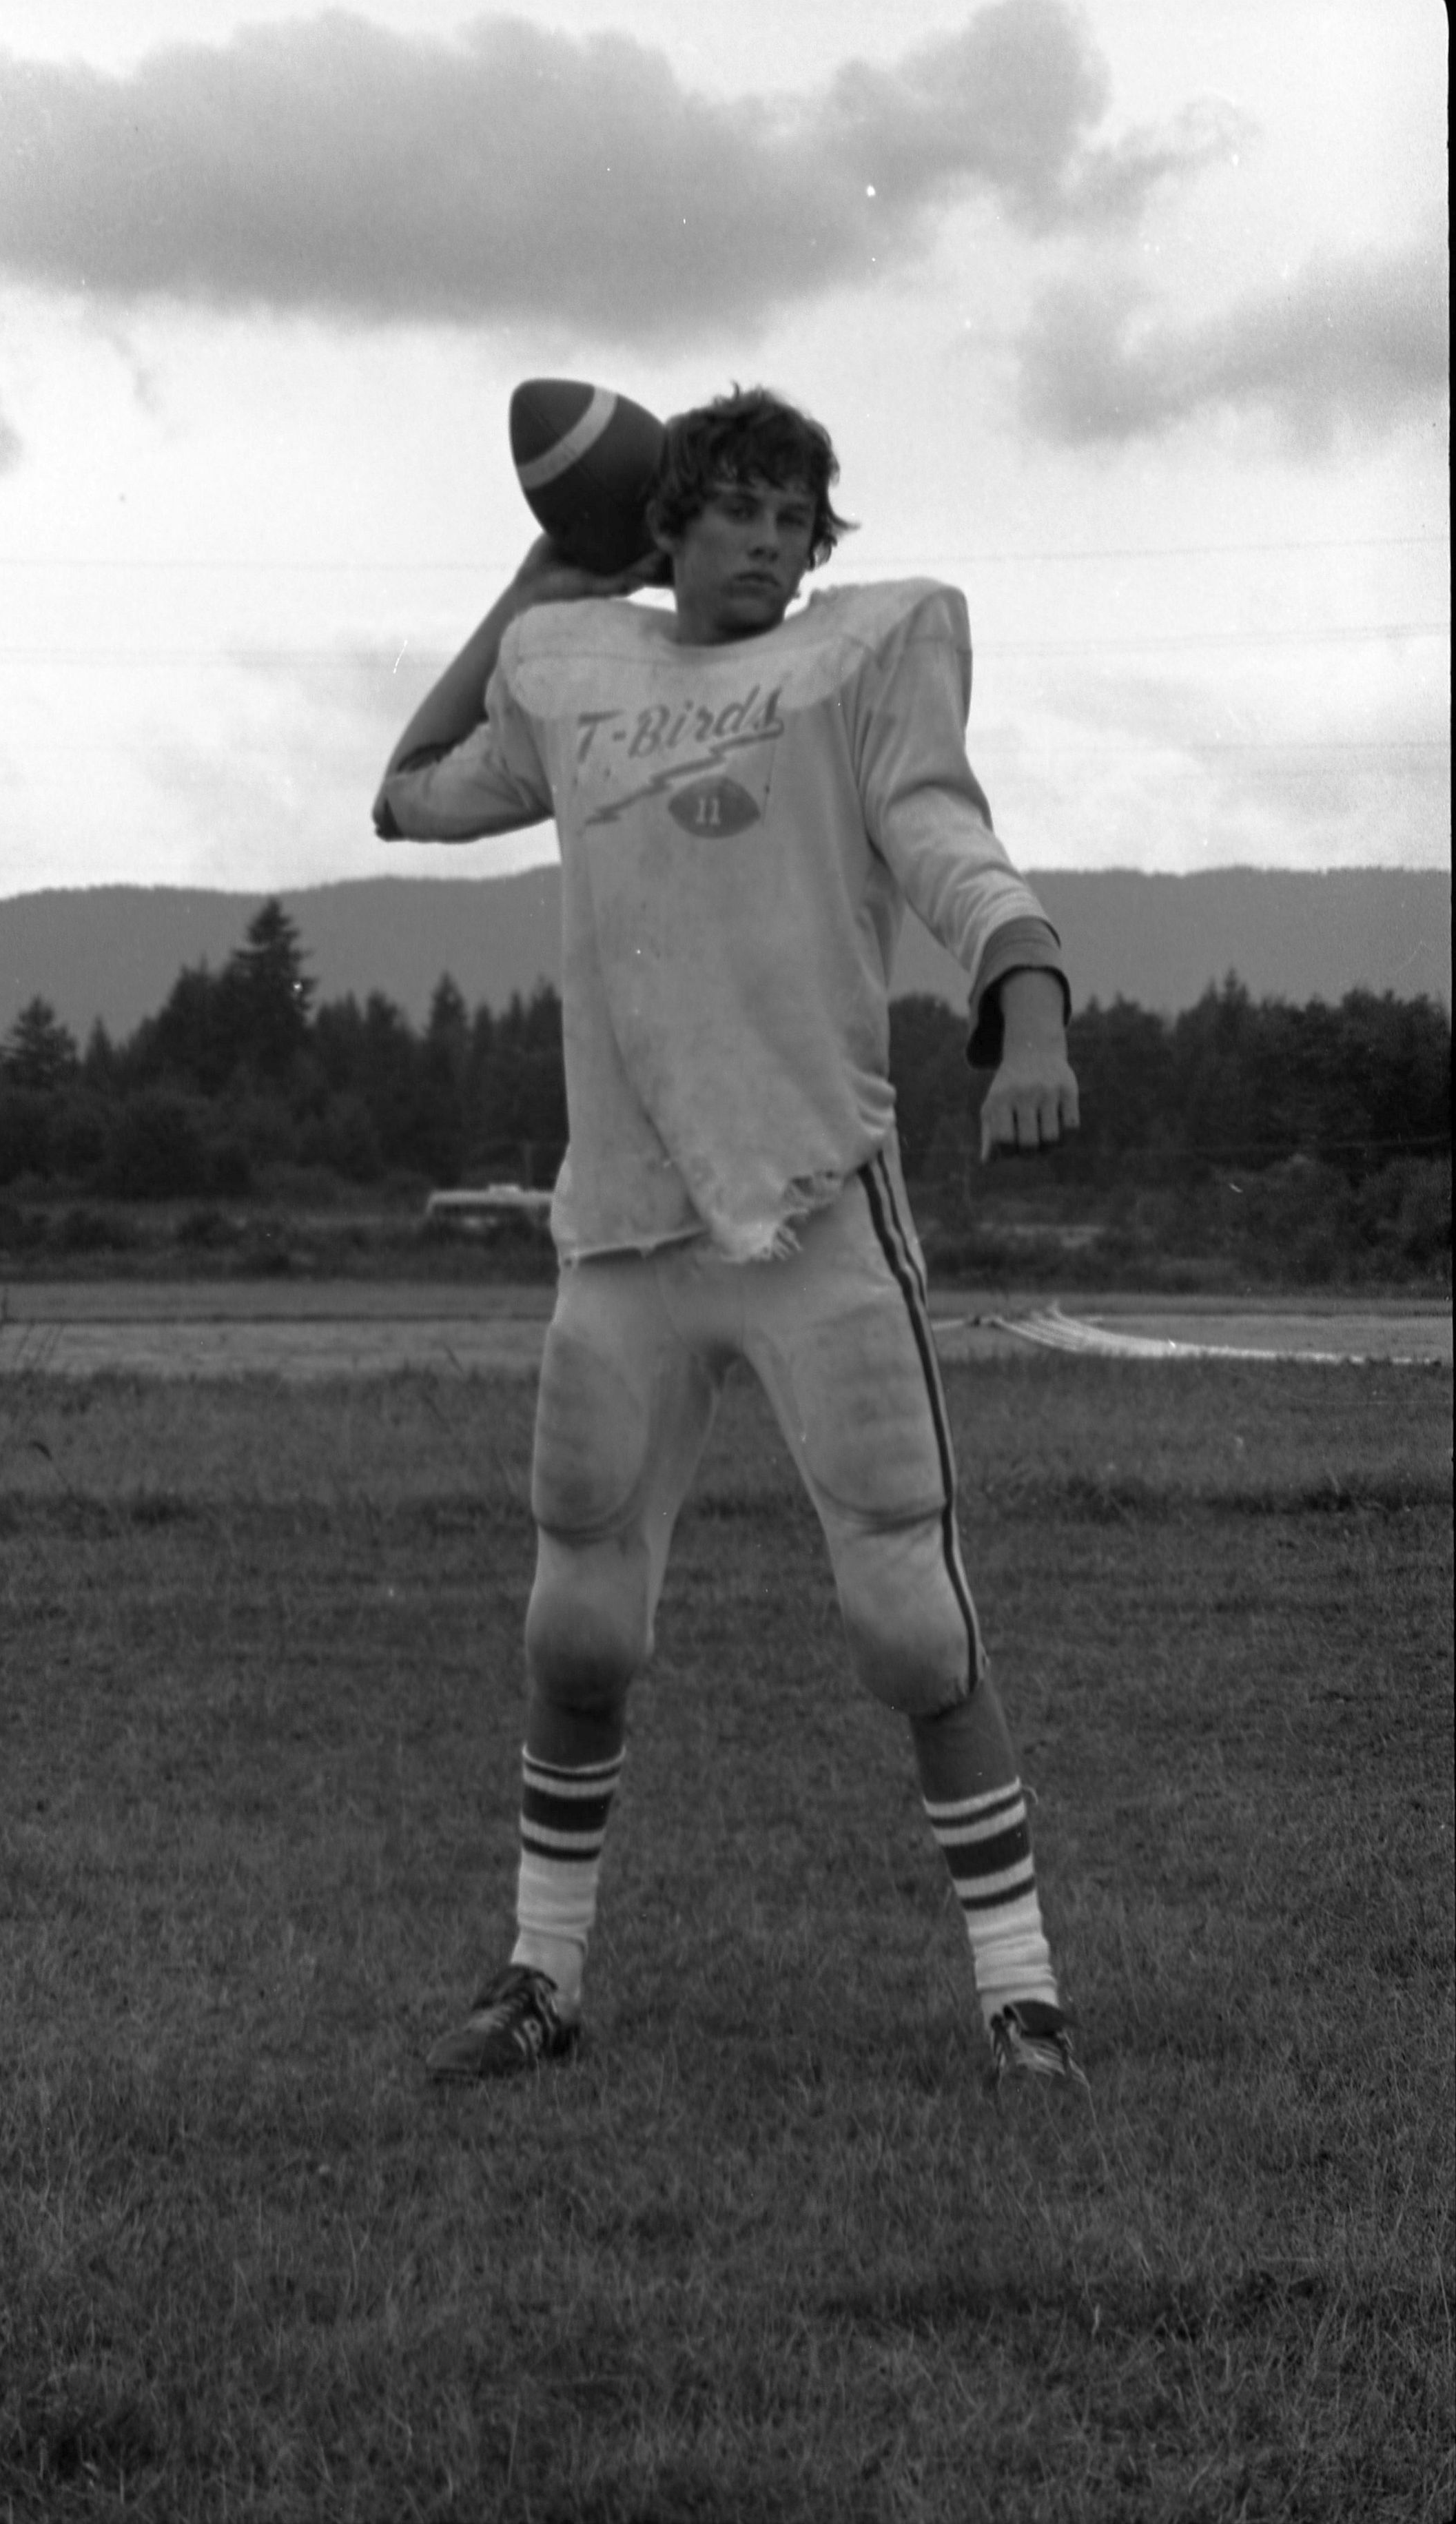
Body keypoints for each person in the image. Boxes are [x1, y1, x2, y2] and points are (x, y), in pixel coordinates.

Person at [373, 386, 1085, 2091]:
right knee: (579, 1622)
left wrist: (1032, 993)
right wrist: (544, 571)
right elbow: (405, 796)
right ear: (669, 524)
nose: (771, 546)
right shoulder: (576, 668)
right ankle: (542, 1975)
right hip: (627, 1222)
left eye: (795, 519)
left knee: (910, 1616)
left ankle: (1022, 1994)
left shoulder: (860, 660)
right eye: (739, 511)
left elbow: (947, 837)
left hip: (814, 1205)